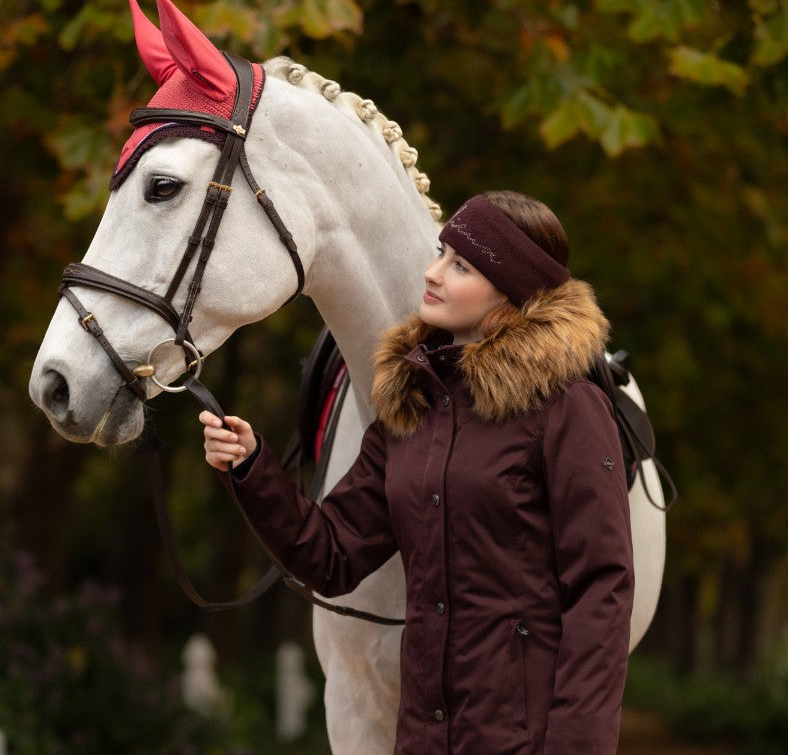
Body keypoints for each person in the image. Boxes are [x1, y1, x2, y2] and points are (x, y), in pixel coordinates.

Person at [200, 191, 634, 755]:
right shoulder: (413, 408)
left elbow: (601, 588)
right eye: (440, 253)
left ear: (509, 293)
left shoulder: (567, 407)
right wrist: (252, 466)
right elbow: (330, 555)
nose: (431, 274)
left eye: (461, 265)